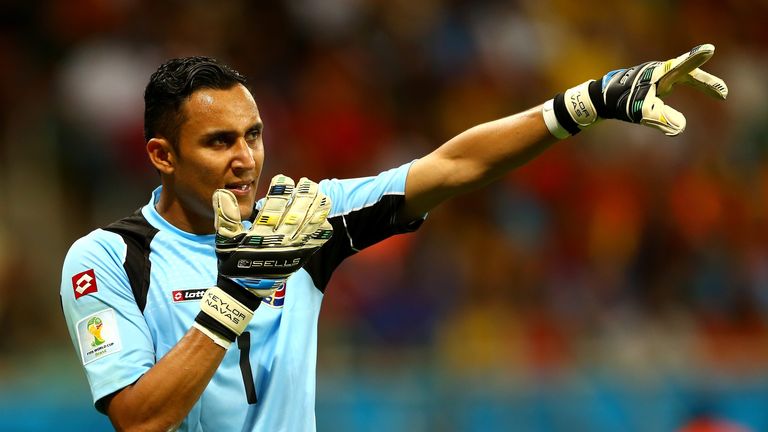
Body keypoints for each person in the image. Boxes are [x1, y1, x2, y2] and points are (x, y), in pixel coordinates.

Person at [60, 44, 727, 431]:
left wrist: (585, 104)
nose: (245, 159)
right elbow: (138, 420)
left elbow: (452, 166)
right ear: (161, 155)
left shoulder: (302, 221)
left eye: (253, 135)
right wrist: (234, 296)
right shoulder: (108, 259)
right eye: (218, 141)